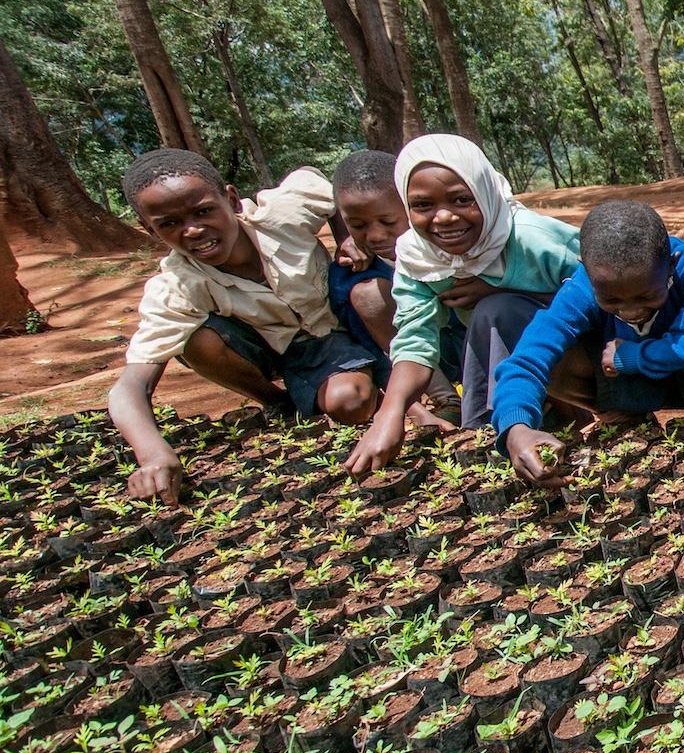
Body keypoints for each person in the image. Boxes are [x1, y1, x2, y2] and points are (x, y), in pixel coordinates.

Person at [109, 149, 378, 501]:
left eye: (204, 211)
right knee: (194, 341)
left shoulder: (281, 215)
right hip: (268, 350)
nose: (192, 230)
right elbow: (129, 388)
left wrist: (347, 235)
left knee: (351, 403)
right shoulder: (176, 285)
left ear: (232, 200)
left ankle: (329, 382)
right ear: (150, 229)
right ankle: (278, 402)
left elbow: (330, 188)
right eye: (169, 224)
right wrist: (153, 453)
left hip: (331, 332)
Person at [344, 135, 582, 477]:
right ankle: (503, 429)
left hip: (576, 353)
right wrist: (391, 412)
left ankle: (573, 416)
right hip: (491, 353)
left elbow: (604, 297)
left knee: (496, 311)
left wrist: (498, 288)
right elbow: (415, 340)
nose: (444, 217)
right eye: (423, 205)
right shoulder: (417, 256)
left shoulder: (532, 240)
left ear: (484, 191)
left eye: (461, 199)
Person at [493, 200, 684, 485]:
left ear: (670, 267)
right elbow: (527, 359)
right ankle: (621, 417)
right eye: (612, 300)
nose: (630, 311)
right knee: (556, 357)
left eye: (646, 297)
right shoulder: (584, 285)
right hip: (619, 381)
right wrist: (515, 427)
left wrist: (634, 356)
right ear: (589, 275)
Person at [329, 149, 459, 422]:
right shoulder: (353, 274)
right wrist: (410, 410)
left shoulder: (454, 238)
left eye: (388, 221)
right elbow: (377, 350)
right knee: (370, 296)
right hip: (416, 361)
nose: (375, 236)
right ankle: (446, 398)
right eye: (358, 225)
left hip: (469, 344)